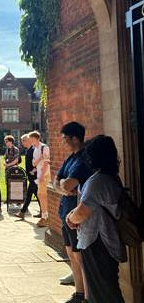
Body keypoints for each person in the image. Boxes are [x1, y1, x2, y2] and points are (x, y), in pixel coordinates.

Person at [66, 135, 127, 303]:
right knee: (103, 290)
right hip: (103, 241)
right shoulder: (110, 177)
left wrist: (71, 218)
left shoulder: (98, 181)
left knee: (102, 294)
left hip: (98, 242)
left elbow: (82, 212)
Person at [54, 122, 93, 303]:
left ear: (75, 138)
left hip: (77, 216)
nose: (63, 142)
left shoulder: (84, 158)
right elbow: (57, 180)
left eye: (65, 139)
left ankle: (86, 295)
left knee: (79, 255)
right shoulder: (70, 158)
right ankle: (78, 293)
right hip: (65, 212)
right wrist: (63, 186)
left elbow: (68, 184)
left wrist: (64, 184)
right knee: (70, 253)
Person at [15, 134, 41, 219]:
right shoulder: (29, 149)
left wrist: (34, 170)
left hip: (34, 176)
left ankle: (22, 212)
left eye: (23, 141)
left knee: (29, 194)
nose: (22, 143)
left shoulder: (33, 149)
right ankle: (43, 211)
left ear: (27, 140)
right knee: (36, 194)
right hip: (31, 176)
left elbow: (38, 161)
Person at [30, 131, 51, 227]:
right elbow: (34, 164)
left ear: (36, 138)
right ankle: (45, 216)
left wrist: (42, 174)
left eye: (31, 139)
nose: (31, 141)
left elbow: (47, 162)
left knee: (42, 195)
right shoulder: (35, 149)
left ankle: (45, 217)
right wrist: (40, 158)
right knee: (41, 195)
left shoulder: (44, 147)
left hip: (45, 175)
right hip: (39, 174)